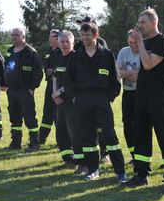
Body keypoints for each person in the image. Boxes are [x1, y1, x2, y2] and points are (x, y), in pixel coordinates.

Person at [124, 8, 164, 193]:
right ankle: (141, 174)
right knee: (140, 136)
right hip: (142, 96)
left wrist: (139, 42)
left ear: (153, 23)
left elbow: (148, 64)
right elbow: (143, 69)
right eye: (139, 22)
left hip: (159, 97)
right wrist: (140, 42)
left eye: (143, 23)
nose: (139, 26)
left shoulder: (163, 42)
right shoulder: (145, 42)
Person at [67, 22, 127, 183]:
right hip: (82, 101)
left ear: (96, 35)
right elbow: (69, 80)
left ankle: (120, 171)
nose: (85, 38)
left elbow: (115, 80)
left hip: (101, 100)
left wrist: (109, 97)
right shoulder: (76, 55)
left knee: (109, 136)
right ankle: (93, 169)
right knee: (88, 138)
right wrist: (75, 97)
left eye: (88, 34)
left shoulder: (106, 54)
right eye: (83, 34)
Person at [75, 15, 110, 164]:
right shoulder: (78, 47)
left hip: (100, 95)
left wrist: (108, 95)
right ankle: (88, 158)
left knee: (102, 126)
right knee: (86, 127)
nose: (84, 33)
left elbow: (107, 69)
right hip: (83, 96)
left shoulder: (101, 44)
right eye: (81, 27)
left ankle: (104, 153)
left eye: (86, 26)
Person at [3, 28, 43, 152]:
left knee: (30, 118)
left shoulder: (31, 52)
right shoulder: (10, 51)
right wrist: (5, 85)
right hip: (12, 91)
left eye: (17, 35)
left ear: (24, 37)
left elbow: (38, 72)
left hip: (25, 91)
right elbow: (5, 68)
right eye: (12, 35)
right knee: (14, 118)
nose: (14, 37)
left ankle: (34, 143)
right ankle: (15, 143)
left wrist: (31, 88)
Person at [52, 30, 78, 169]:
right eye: (62, 42)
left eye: (68, 42)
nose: (65, 44)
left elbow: (75, 81)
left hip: (72, 101)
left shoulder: (76, 58)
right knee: (60, 130)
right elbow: (55, 77)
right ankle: (68, 159)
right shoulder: (58, 57)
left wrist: (59, 93)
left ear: (73, 43)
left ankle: (80, 160)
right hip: (60, 102)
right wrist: (54, 93)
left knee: (73, 131)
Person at [116, 30, 140, 164]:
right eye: (130, 42)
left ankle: (140, 155)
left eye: (136, 42)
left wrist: (127, 73)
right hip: (128, 93)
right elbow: (119, 72)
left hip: (141, 93)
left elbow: (143, 76)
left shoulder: (144, 51)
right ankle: (133, 155)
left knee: (140, 125)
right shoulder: (123, 52)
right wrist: (134, 72)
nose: (133, 46)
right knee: (127, 125)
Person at [39, 29, 61, 145]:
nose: (49, 39)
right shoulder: (49, 51)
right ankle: (41, 139)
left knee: (58, 115)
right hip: (49, 86)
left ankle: (62, 140)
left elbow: (60, 69)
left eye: (51, 37)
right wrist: (49, 72)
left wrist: (53, 72)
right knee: (47, 112)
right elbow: (46, 68)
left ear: (57, 38)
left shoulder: (61, 51)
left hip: (58, 87)